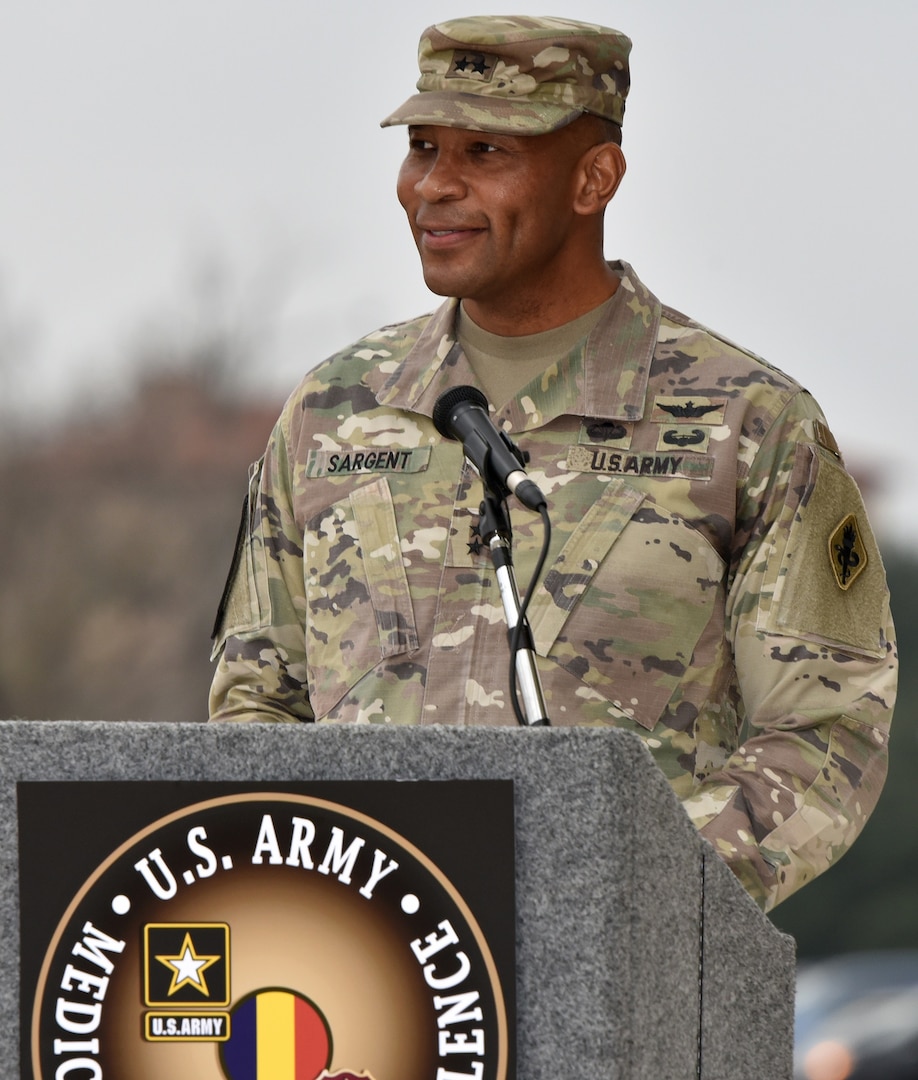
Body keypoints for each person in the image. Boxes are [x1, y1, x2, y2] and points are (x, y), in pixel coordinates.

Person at [209, 15, 897, 912]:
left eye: (484, 151)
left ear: (593, 178)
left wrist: (630, 888)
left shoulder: (747, 424)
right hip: (370, 977)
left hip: (618, 970)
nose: (434, 186)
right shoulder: (335, 412)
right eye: (422, 147)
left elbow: (826, 730)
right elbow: (253, 701)